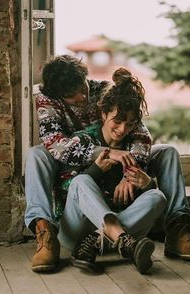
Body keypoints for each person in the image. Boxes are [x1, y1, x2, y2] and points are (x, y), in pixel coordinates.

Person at [25, 54, 190, 273]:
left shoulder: (103, 92)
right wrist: (108, 154)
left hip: (119, 158)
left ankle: (176, 229)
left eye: (83, 88)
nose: (82, 97)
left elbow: (138, 130)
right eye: (72, 96)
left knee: (167, 152)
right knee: (37, 154)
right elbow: (57, 145)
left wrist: (131, 171)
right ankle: (45, 232)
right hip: (75, 164)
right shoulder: (47, 99)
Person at [58, 67, 167, 274]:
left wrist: (147, 184)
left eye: (130, 123)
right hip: (74, 230)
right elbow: (64, 190)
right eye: (117, 121)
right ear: (103, 113)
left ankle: (107, 239)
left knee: (157, 196)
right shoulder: (83, 140)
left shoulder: (134, 147)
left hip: (103, 237)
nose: (122, 129)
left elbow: (142, 196)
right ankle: (121, 239)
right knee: (81, 181)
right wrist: (95, 170)